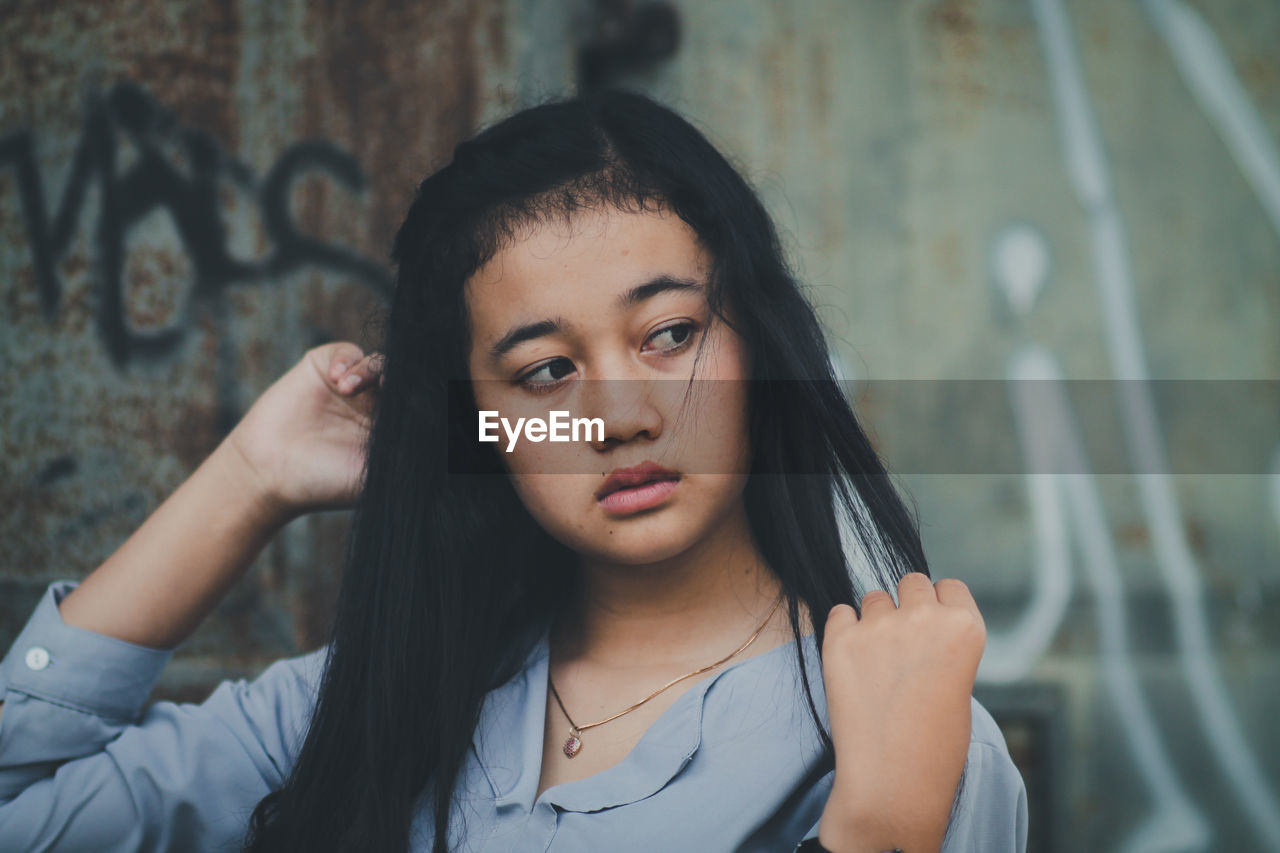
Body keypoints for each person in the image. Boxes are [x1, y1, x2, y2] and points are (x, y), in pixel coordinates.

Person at [0, 91, 1028, 853]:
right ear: (482, 420)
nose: (621, 416)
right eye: (544, 371)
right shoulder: (376, 695)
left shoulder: (893, 728)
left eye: (669, 334)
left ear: (758, 345)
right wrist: (246, 479)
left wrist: (879, 834)